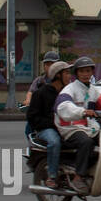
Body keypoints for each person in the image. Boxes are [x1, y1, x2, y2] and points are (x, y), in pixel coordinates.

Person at [52, 55, 101, 191]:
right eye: (82, 71)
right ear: (76, 73)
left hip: (88, 127)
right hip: (70, 128)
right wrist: (83, 112)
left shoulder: (93, 91)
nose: (85, 74)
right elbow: (63, 107)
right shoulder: (69, 89)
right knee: (86, 142)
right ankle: (78, 178)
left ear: (92, 72)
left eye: (88, 71)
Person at [27, 60, 71, 188]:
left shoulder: (67, 93)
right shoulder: (40, 93)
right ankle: (52, 176)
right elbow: (32, 117)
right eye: (67, 73)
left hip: (67, 127)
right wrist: (52, 123)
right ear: (58, 75)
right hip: (46, 129)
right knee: (54, 142)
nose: (70, 76)